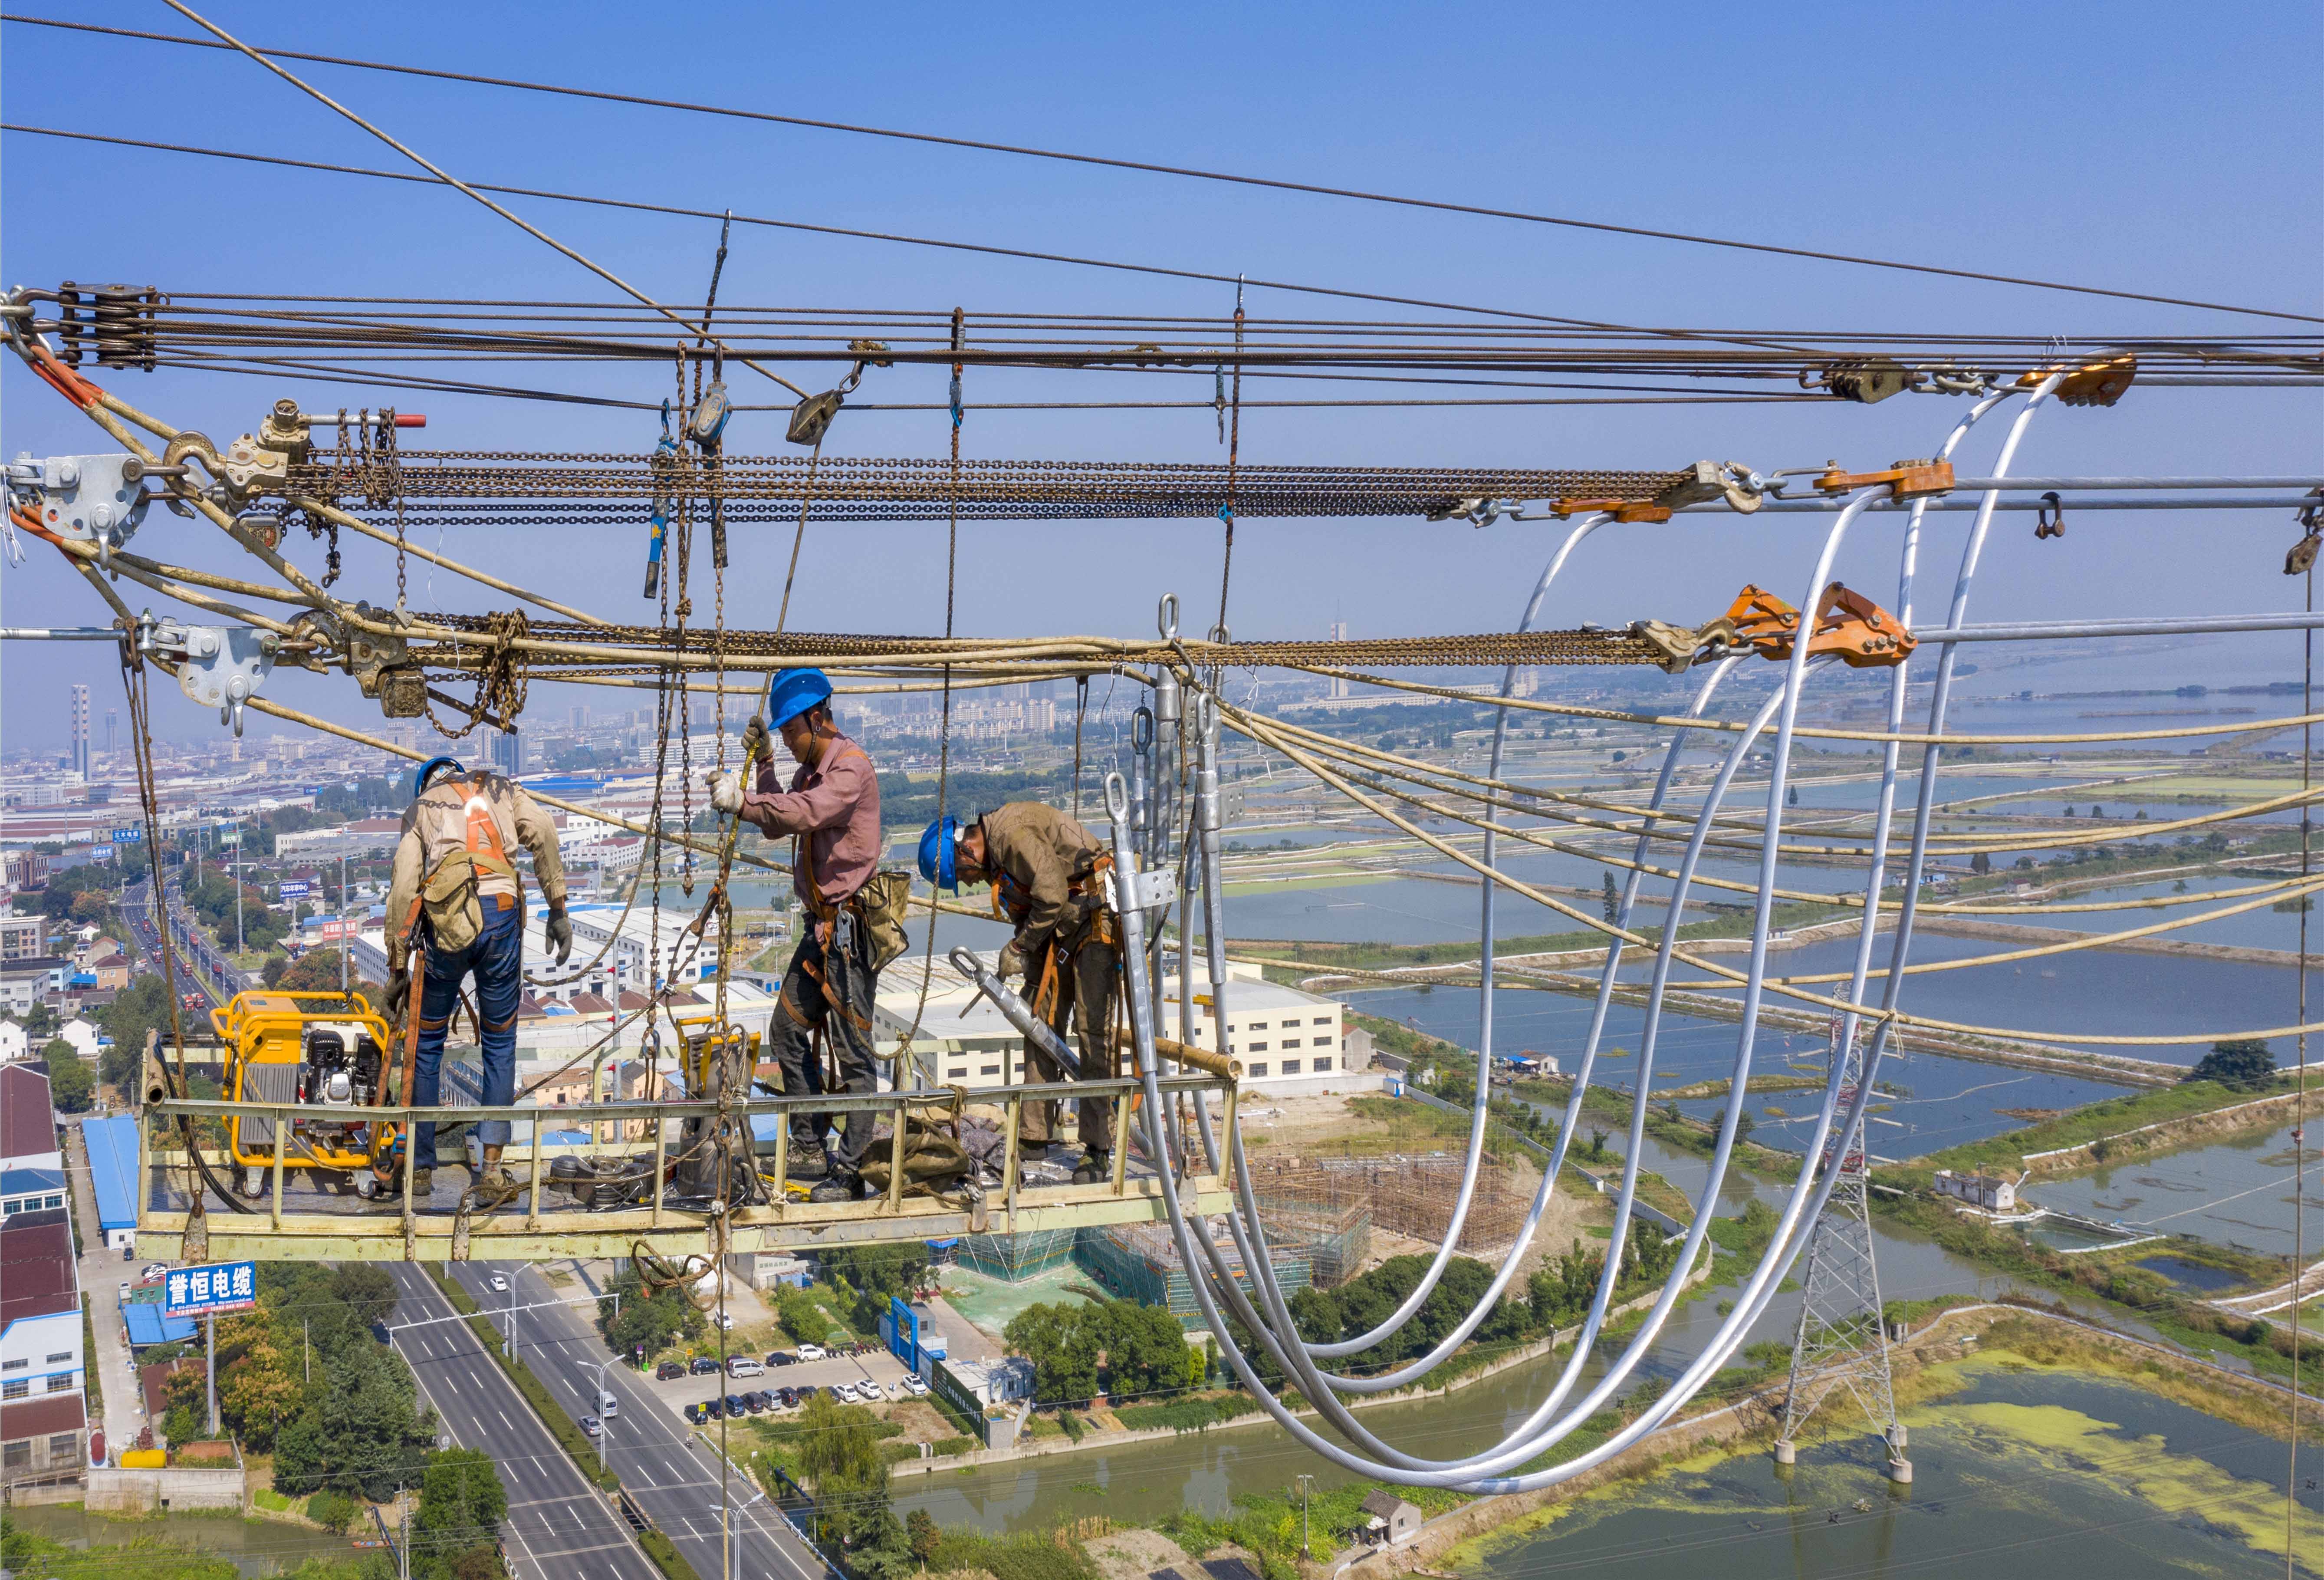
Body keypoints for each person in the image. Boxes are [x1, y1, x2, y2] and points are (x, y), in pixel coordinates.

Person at [707, 668, 884, 1202]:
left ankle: (849, 1170)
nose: (786, 741)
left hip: (848, 934)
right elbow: (779, 818)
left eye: (789, 733)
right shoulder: (813, 772)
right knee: (787, 1030)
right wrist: (763, 766)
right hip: (822, 930)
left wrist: (742, 801)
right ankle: (810, 1143)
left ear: (815, 718)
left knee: (855, 1058)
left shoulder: (849, 771)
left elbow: (804, 814)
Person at [384, 755, 572, 1203]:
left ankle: (422, 1167)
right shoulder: (501, 789)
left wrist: (396, 967)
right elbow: (543, 831)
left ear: (425, 783)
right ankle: (490, 1170)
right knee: (499, 1043)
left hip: (447, 924)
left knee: (426, 1044)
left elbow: (403, 887)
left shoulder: (422, 809)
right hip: (502, 918)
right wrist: (558, 908)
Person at [920, 803, 1121, 1184]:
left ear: (966, 851)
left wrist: (1020, 947)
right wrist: (1026, 948)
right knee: (1037, 1020)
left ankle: (1098, 1146)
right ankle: (1034, 1135)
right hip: (1062, 924)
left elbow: (1051, 896)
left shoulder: (1011, 836)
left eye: (964, 876)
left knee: (1093, 1029)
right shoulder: (998, 855)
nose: (972, 883)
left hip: (1094, 917)